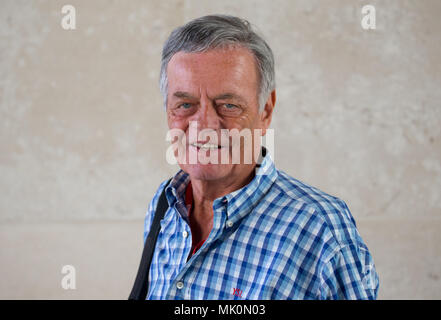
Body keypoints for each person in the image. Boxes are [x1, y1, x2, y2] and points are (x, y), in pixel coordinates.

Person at [142, 14, 379, 299]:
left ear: (265, 111)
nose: (203, 125)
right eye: (185, 104)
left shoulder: (322, 229)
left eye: (228, 104)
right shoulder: (165, 205)